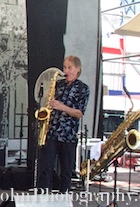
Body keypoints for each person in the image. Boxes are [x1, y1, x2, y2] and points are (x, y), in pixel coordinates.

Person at [35, 55, 89, 193]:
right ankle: (42, 199)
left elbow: (79, 113)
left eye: (70, 67)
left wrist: (62, 107)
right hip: (52, 132)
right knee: (45, 168)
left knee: (65, 172)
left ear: (78, 69)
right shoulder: (58, 84)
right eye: (65, 67)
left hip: (68, 136)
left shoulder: (83, 88)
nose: (66, 70)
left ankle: (63, 199)